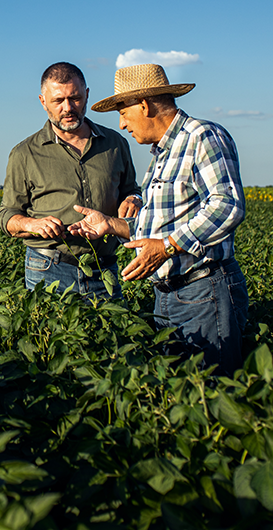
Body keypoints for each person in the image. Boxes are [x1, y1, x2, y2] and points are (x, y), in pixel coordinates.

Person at [67, 63, 248, 373]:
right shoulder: (161, 153)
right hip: (167, 296)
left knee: (212, 391)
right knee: (178, 390)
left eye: (123, 113)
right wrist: (110, 225)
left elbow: (228, 204)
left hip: (203, 293)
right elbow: (161, 226)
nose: (122, 125)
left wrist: (167, 246)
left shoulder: (201, 136)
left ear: (144, 105)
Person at [0, 62, 142, 299]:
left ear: (86, 95)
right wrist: (30, 224)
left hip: (105, 269)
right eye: (58, 101)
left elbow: (131, 189)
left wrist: (134, 199)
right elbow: (7, 215)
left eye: (75, 98)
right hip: (49, 269)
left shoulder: (115, 144)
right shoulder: (24, 153)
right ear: (43, 101)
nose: (68, 108)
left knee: (112, 334)